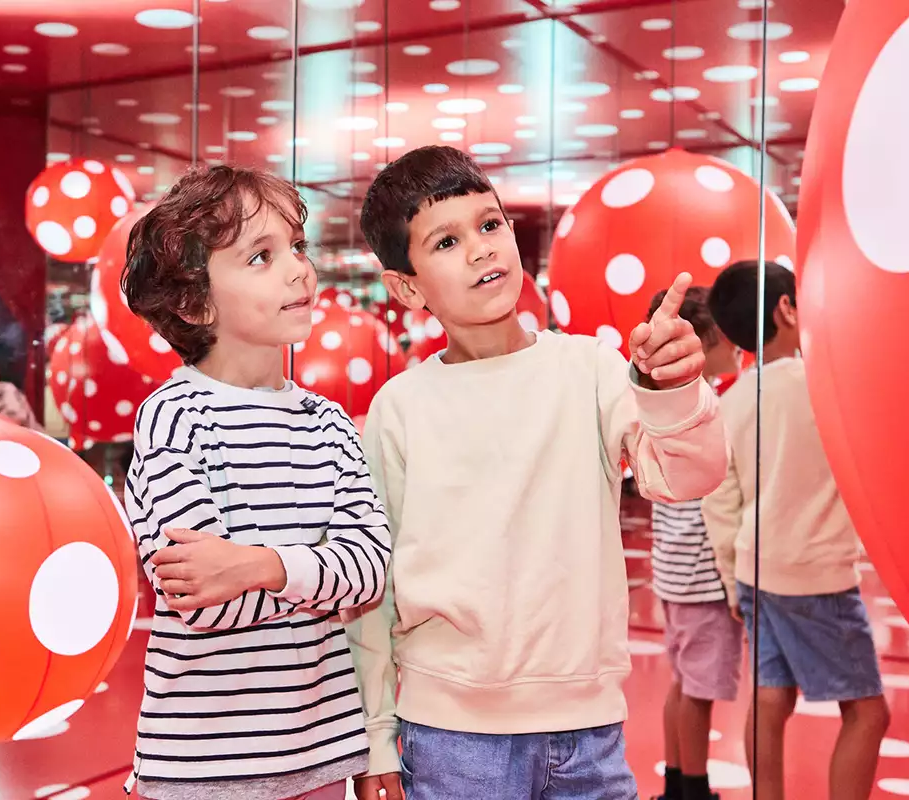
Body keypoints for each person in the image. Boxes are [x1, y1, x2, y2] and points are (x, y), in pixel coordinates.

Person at [347, 145, 728, 800]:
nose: (481, 250)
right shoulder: (399, 409)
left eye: (490, 225)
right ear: (407, 287)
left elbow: (684, 477)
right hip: (448, 737)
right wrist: (377, 733)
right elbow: (373, 585)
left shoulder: (592, 369)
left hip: (589, 731)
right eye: (446, 241)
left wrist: (669, 388)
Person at [120, 164, 392, 800]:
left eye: (297, 246)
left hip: (322, 754)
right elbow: (203, 595)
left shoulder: (327, 423)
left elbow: (372, 569)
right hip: (201, 765)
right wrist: (312, 573)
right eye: (260, 257)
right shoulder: (172, 417)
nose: (299, 269)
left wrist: (259, 565)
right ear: (195, 300)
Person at [703, 260, 890, 800]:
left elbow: (720, 501)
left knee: (769, 701)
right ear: (786, 308)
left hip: (756, 572)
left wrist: (732, 576)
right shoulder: (827, 386)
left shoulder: (731, 401)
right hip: (818, 578)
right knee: (867, 713)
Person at [643, 286, 743, 800]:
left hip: (673, 568)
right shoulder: (714, 409)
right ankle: (695, 789)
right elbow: (723, 501)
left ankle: (678, 782)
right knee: (699, 689)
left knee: (684, 681)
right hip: (703, 574)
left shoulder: (664, 407)